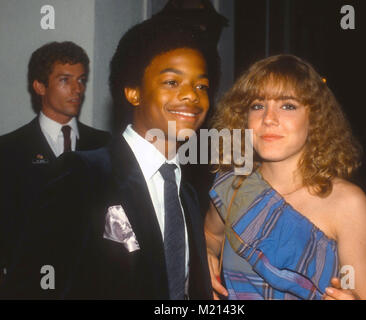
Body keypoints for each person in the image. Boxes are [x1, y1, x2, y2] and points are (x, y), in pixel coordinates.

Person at [1, 17, 220, 299]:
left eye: (201, 86)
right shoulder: (81, 175)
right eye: (172, 81)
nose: (191, 95)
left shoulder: (189, 193)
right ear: (134, 93)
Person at [204, 54, 366, 300]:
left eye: (287, 106)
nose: (268, 119)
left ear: (315, 119)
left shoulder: (347, 204)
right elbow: (211, 235)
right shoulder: (234, 186)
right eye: (257, 105)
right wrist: (208, 253)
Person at [0, 41, 110, 290]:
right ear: (40, 86)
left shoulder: (105, 145)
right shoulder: (8, 150)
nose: (77, 89)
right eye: (65, 80)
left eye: (81, 80)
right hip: (28, 285)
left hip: (94, 284)